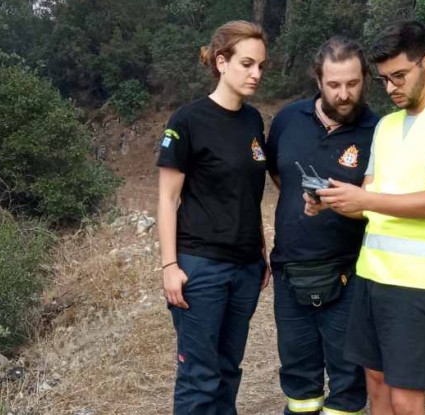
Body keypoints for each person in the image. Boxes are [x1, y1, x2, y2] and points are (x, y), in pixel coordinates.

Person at [309, 21, 425, 415]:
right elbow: (369, 198)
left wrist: (364, 197)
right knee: (375, 380)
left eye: (400, 76)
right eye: (385, 80)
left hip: (421, 280)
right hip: (373, 272)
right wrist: (335, 200)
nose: (391, 89)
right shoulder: (386, 126)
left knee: (406, 395)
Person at [156, 20, 270, 415]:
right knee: (199, 376)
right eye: (247, 63)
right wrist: (170, 265)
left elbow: (248, 195)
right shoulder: (187, 121)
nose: (256, 74)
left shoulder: (254, 121)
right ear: (221, 62)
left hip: (245, 269)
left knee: (226, 370)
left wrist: (262, 251)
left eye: (261, 66)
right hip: (200, 267)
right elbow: (167, 199)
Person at [265, 36, 378, 415]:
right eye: (334, 85)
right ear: (318, 80)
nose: (344, 94)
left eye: (352, 83)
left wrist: (342, 205)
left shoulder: (379, 130)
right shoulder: (287, 120)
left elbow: (380, 203)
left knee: (348, 381)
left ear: (364, 78)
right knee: (298, 380)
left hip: (350, 273)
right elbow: (281, 177)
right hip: (289, 269)